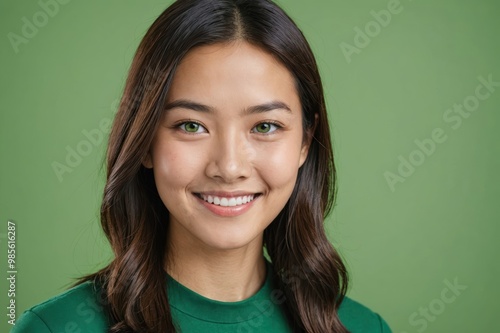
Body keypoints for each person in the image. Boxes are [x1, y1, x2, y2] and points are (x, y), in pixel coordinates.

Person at [12, 0, 392, 332]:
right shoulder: (54, 328)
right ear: (144, 141)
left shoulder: (363, 328)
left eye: (265, 127)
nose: (228, 167)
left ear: (305, 143)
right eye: (191, 126)